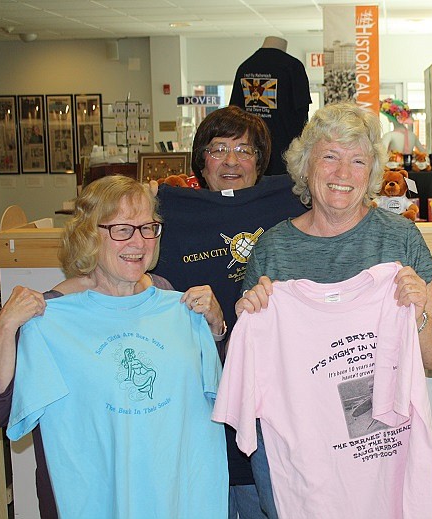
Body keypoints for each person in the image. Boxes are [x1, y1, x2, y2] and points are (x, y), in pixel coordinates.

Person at [228, 101, 432, 516]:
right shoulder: (273, 248)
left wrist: (419, 313)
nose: (342, 174)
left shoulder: (400, 240)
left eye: (357, 161)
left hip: (378, 454)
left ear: (371, 174)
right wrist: (250, 314)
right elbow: (245, 371)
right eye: (329, 157)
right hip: (303, 458)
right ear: (306, 166)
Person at [0, 175, 228, 518]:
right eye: (122, 229)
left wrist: (214, 326)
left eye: (148, 228)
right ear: (89, 235)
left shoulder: (174, 302)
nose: (139, 241)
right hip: (89, 500)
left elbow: (216, 389)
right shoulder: (49, 316)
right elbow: (2, 412)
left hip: (170, 498)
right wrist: (3, 327)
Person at [151, 105, 306, 519]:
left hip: (273, 400)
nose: (232, 160)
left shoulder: (292, 203)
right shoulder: (169, 215)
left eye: (245, 149)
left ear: (262, 162)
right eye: (219, 149)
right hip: (199, 400)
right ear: (201, 161)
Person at [229, 36, 312, 176]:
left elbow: (233, 116)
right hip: (285, 161)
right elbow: (302, 118)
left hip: (251, 157)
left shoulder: (245, 67)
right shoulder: (293, 67)